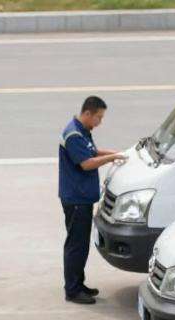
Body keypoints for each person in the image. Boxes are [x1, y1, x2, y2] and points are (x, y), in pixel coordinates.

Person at [59, 96, 126, 305]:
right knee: (76, 245)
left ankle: (78, 284)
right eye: (99, 117)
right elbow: (87, 163)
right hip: (76, 199)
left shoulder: (83, 130)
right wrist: (111, 158)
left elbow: (93, 151)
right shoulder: (73, 134)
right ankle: (72, 290)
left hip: (82, 197)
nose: (100, 122)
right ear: (88, 113)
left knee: (81, 244)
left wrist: (116, 153)